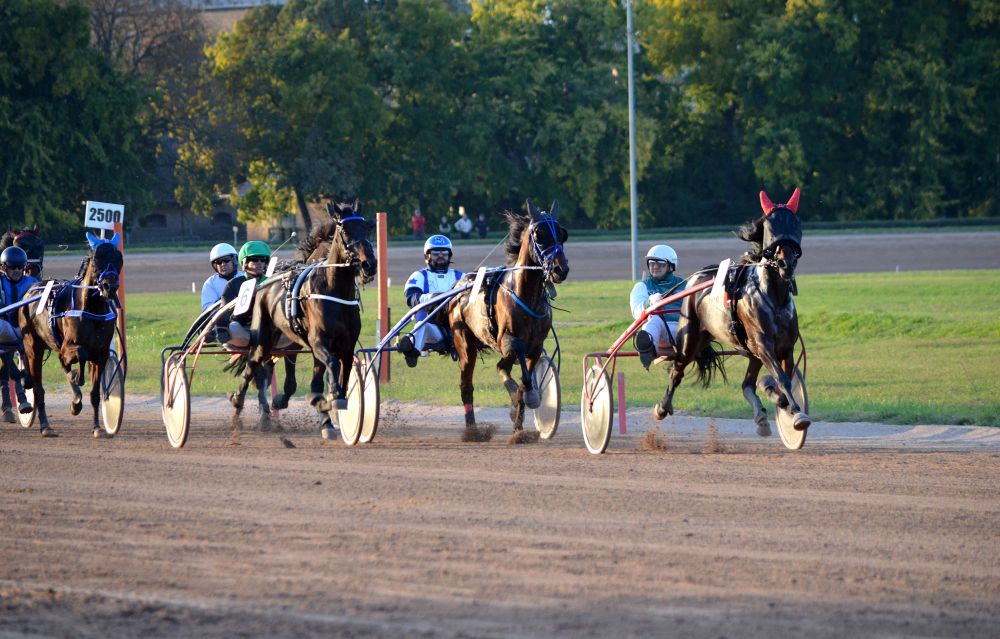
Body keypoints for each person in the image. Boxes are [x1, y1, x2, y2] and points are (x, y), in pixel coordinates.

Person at [396, 235, 464, 368]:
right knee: (423, 325)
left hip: (459, 329)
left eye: (444, 253)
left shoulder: (460, 276)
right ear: (427, 256)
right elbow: (412, 298)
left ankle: (409, 344)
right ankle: (413, 351)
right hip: (434, 329)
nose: (440, 256)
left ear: (449, 255)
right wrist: (431, 298)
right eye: (435, 253)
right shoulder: (420, 275)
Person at [630, 245, 686, 370]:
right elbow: (636, 310)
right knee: (654, 319)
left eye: (660, 264)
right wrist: (649, 302)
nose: (655, 267)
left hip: (684, 328)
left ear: (671, 266)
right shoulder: (642, 286)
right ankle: (648, 349)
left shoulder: (685, 285)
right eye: (652, 263)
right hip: (661, 332)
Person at [0, 247, 38, 421]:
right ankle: (17, 400)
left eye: (19, 267)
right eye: (12, 267)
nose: (16, 271)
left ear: (25, 267)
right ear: (4, 267)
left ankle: (14, 402)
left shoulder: (32, 282)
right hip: (4, 328)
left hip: (24, 330)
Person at [216, 241, 272, 348]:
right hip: (243, 330)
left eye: (263, 260)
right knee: (233, 327)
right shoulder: (234, 284)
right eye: (255, 259)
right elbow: (225, 313)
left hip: (270, 328)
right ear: (244, 262)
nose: (260, 263)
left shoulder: (272, 282)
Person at [201, 243, 242, 311]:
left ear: (234, 260)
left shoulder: (245, 277)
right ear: (215, 265)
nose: (223, 264)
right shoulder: (210, 284)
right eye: (219, 262)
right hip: (222, 320)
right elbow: (207, 309)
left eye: (226, 260)